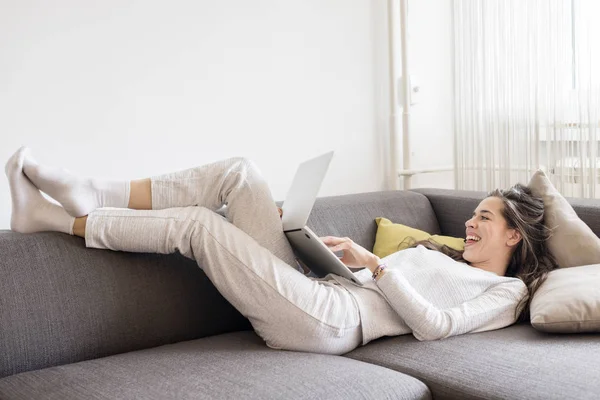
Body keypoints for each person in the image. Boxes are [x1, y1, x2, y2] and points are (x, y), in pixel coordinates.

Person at [5, 146, 557, 355]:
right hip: (322, 289)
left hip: (331, 325)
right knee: (242, 175)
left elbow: (434, 325)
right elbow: (374, 282)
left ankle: (58, 219)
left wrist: (374, 264)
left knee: (201, 227)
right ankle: (96, 192)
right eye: (475, 213)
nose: (470, 222)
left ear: (515, 235)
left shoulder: (506, 293)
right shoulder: (450, 256)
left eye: (484, 216)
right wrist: (319, 248)